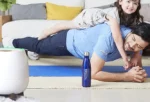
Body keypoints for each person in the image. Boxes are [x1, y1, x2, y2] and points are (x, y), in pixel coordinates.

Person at [6, 22, 150, 82]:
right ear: (130, 32)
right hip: (68, 42)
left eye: (139, 46)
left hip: (83, 47)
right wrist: (127, 76)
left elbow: (138, 52)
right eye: (132, 40)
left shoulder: (136, 44)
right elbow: (93, 73)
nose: (132, 46)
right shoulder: (109, 38)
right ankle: (12, 41)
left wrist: (138, 69)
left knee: (40, 47)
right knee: (38, 45)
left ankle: (32, 50)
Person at [38, 0, 143, 70]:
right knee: (68, 25)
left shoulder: (135, 18)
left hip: (100, 22)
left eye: (135, 3)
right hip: (91, 17)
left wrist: (136, 56)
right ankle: (47, 32)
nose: (131, 6)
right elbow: (117, 37)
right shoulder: (113, 14)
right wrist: (124, 57)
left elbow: (142, 36)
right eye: (128, 1)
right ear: (120, 1)